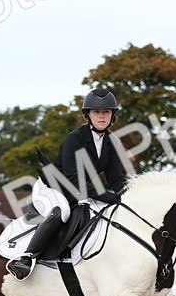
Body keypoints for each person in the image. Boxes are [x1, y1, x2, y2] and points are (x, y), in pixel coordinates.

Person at [7, 88, 128, 281]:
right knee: (62, 211)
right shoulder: (75, 138)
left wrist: (131, 193)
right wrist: (106, 195)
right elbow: (72, 179)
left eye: (106, 112)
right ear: (88, 114)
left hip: (77, 192)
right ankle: (26, 258)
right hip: (52, 187)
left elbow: (116, 178)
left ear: (113, 115)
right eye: (97, 112)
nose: (102, 116)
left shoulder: (111, 143)